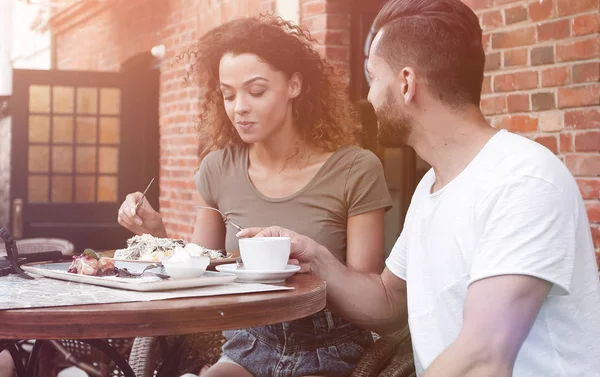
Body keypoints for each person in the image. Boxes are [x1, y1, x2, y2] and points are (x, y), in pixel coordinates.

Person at [239, 0, 600, 376]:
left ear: (407, 83)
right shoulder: (433, 184)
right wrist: (314, 257)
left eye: (373, 77)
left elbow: (484, 356)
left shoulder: (521, 180)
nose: (370, 97)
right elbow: (388, 302)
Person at [117, 15, 392, 377]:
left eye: (256, 91)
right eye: (228, 95)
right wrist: (154, 234)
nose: (239, 107)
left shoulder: (356, 169)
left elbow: (368, 301)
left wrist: (314, 259)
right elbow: (200, 273)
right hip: (247, 347)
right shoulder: (217, 168)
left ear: (294, 84)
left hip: (330, 351)